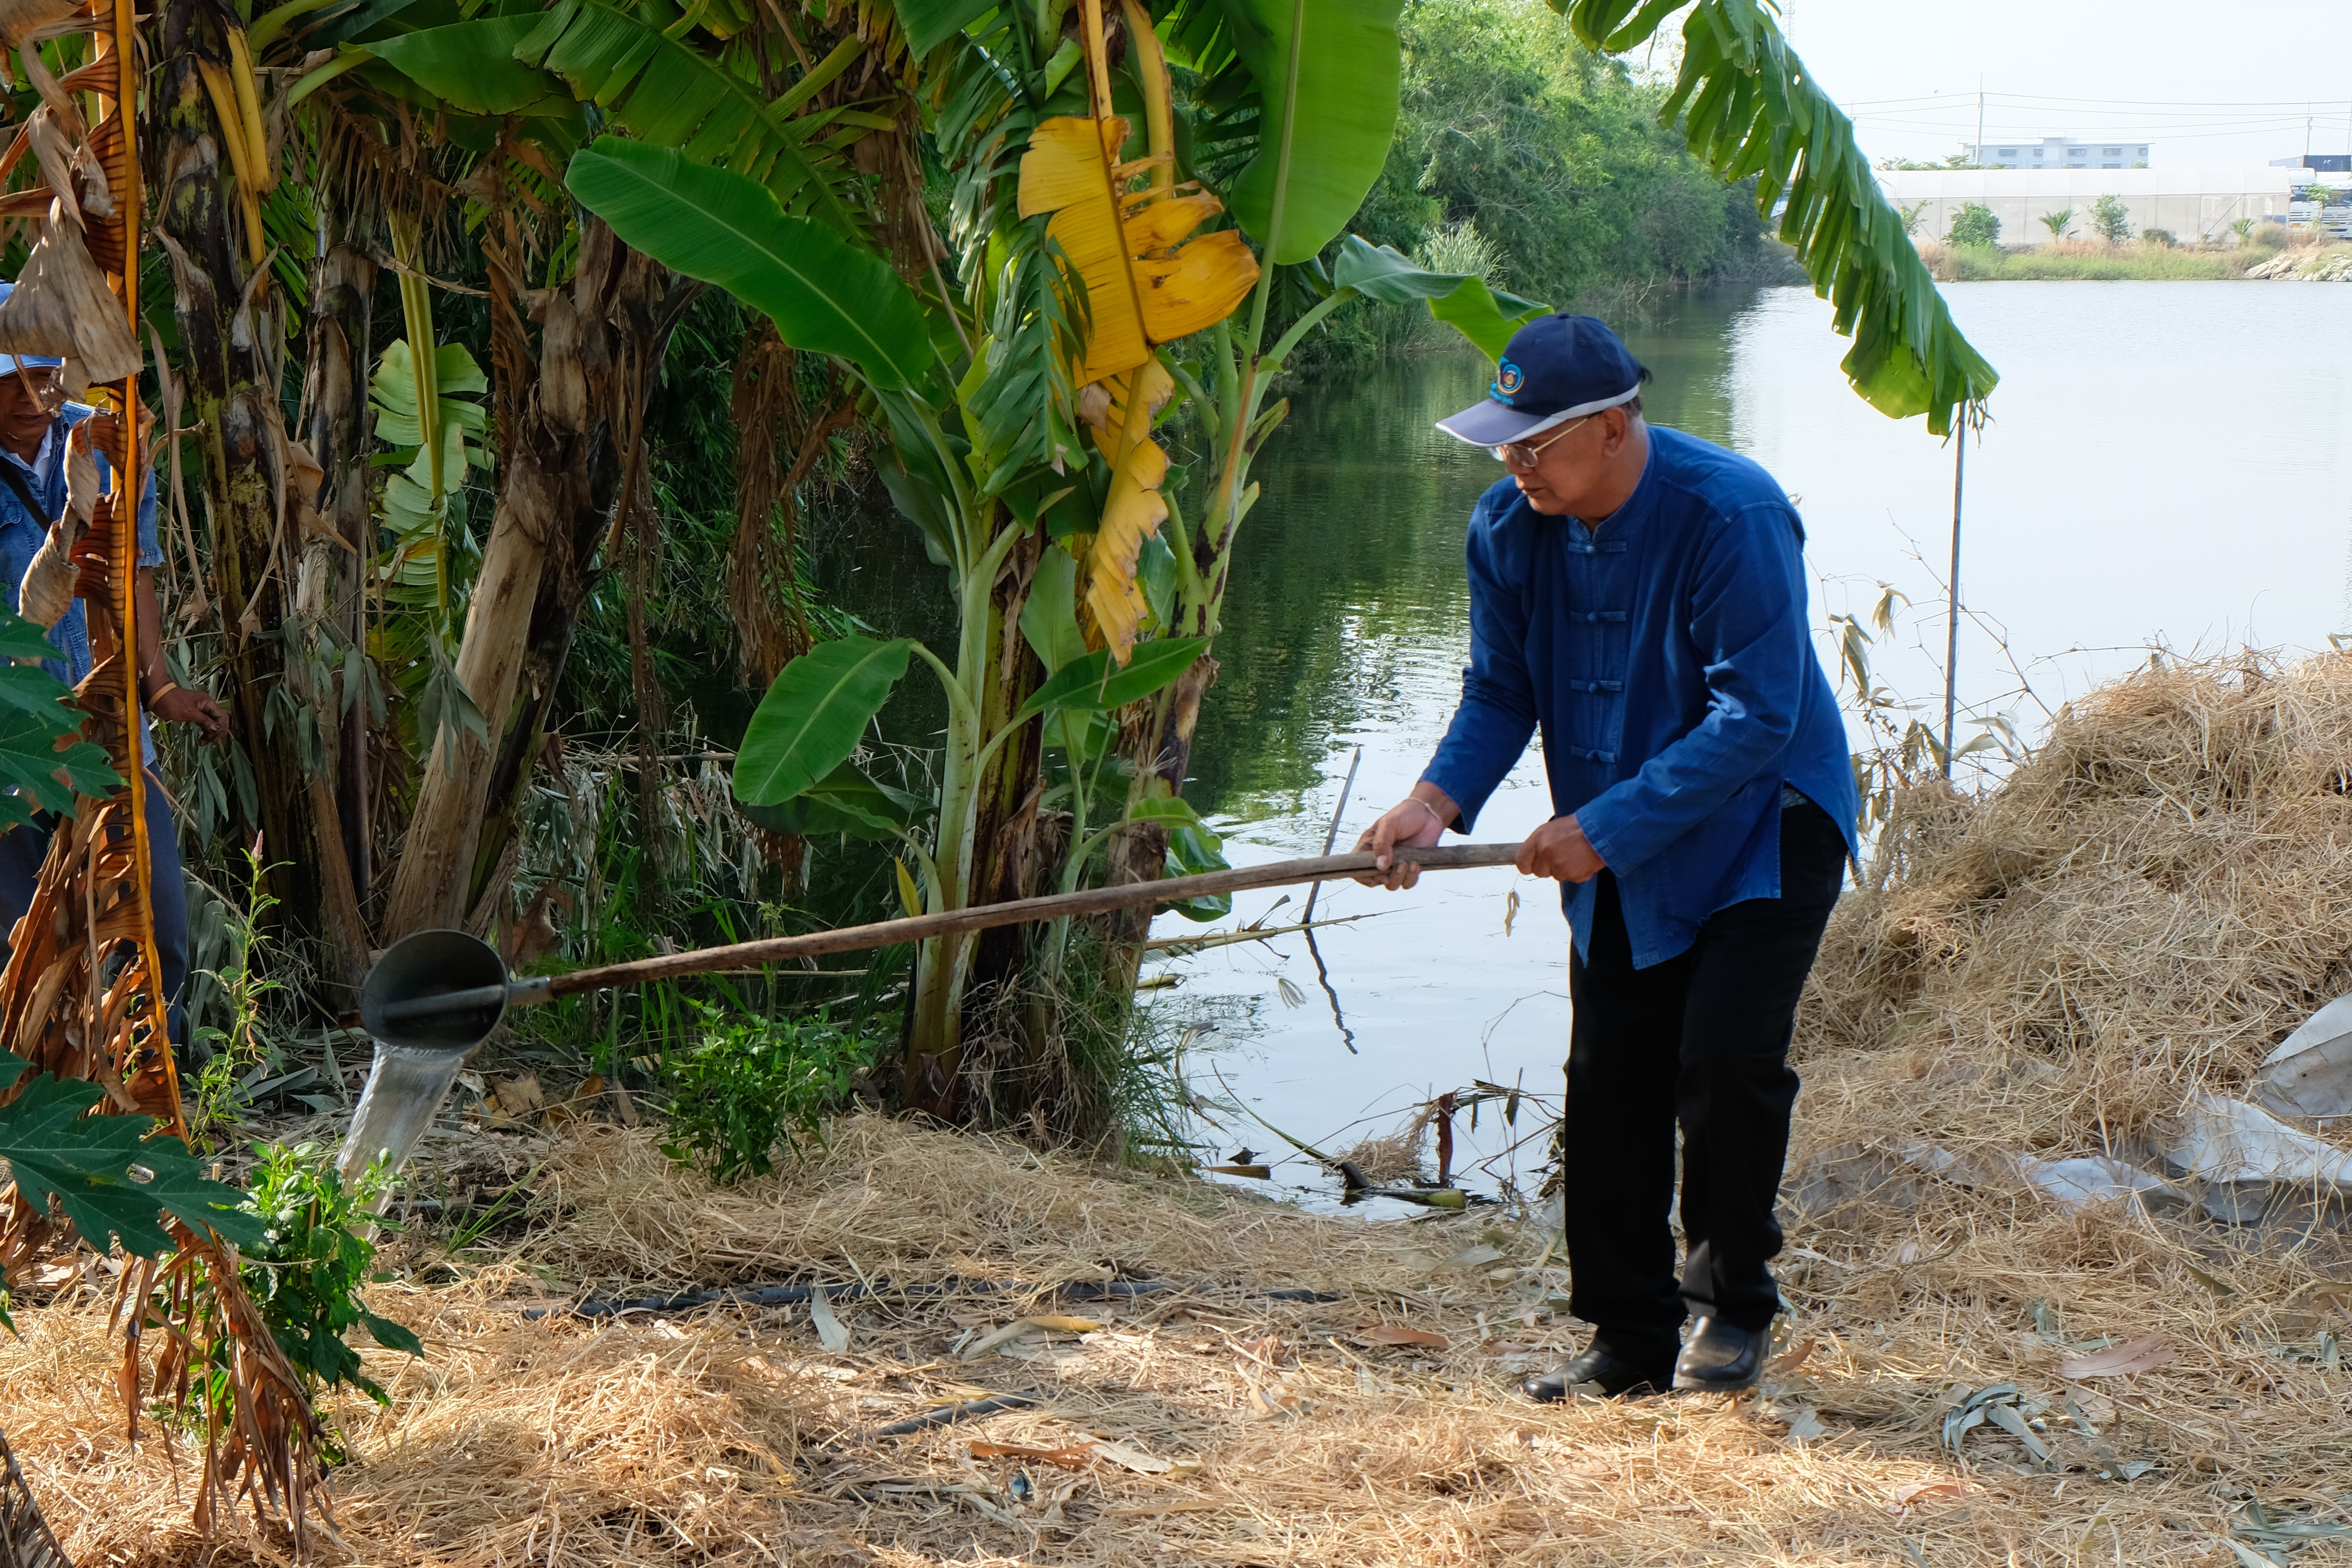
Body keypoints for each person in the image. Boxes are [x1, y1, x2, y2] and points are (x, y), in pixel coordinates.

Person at [1356, 314, 1859, 1399]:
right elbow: (1501, 691)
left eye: (1538, 444)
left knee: (1723, 1061)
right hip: (1620, 834)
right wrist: (1433, 801)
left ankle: (1733, 1304)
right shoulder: (1508, 526)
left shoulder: (1732, 512)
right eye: (1507, 442)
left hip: (1762, 824)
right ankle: (1628, 1341)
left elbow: (1756, 717)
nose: (1515, 463)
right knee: (1611, 1078)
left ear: (1620, 426)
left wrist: (1606, 829)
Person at [0, 329, 228, 1030]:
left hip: (111, 736)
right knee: (19, 945)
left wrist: (159, 687)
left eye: (43, 375)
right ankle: (35, 1093)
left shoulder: (107, 443)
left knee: (156, 928)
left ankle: (151, 1081)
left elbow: (139, 569)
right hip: (16, 750)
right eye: (10, 380)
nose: (33, 394)